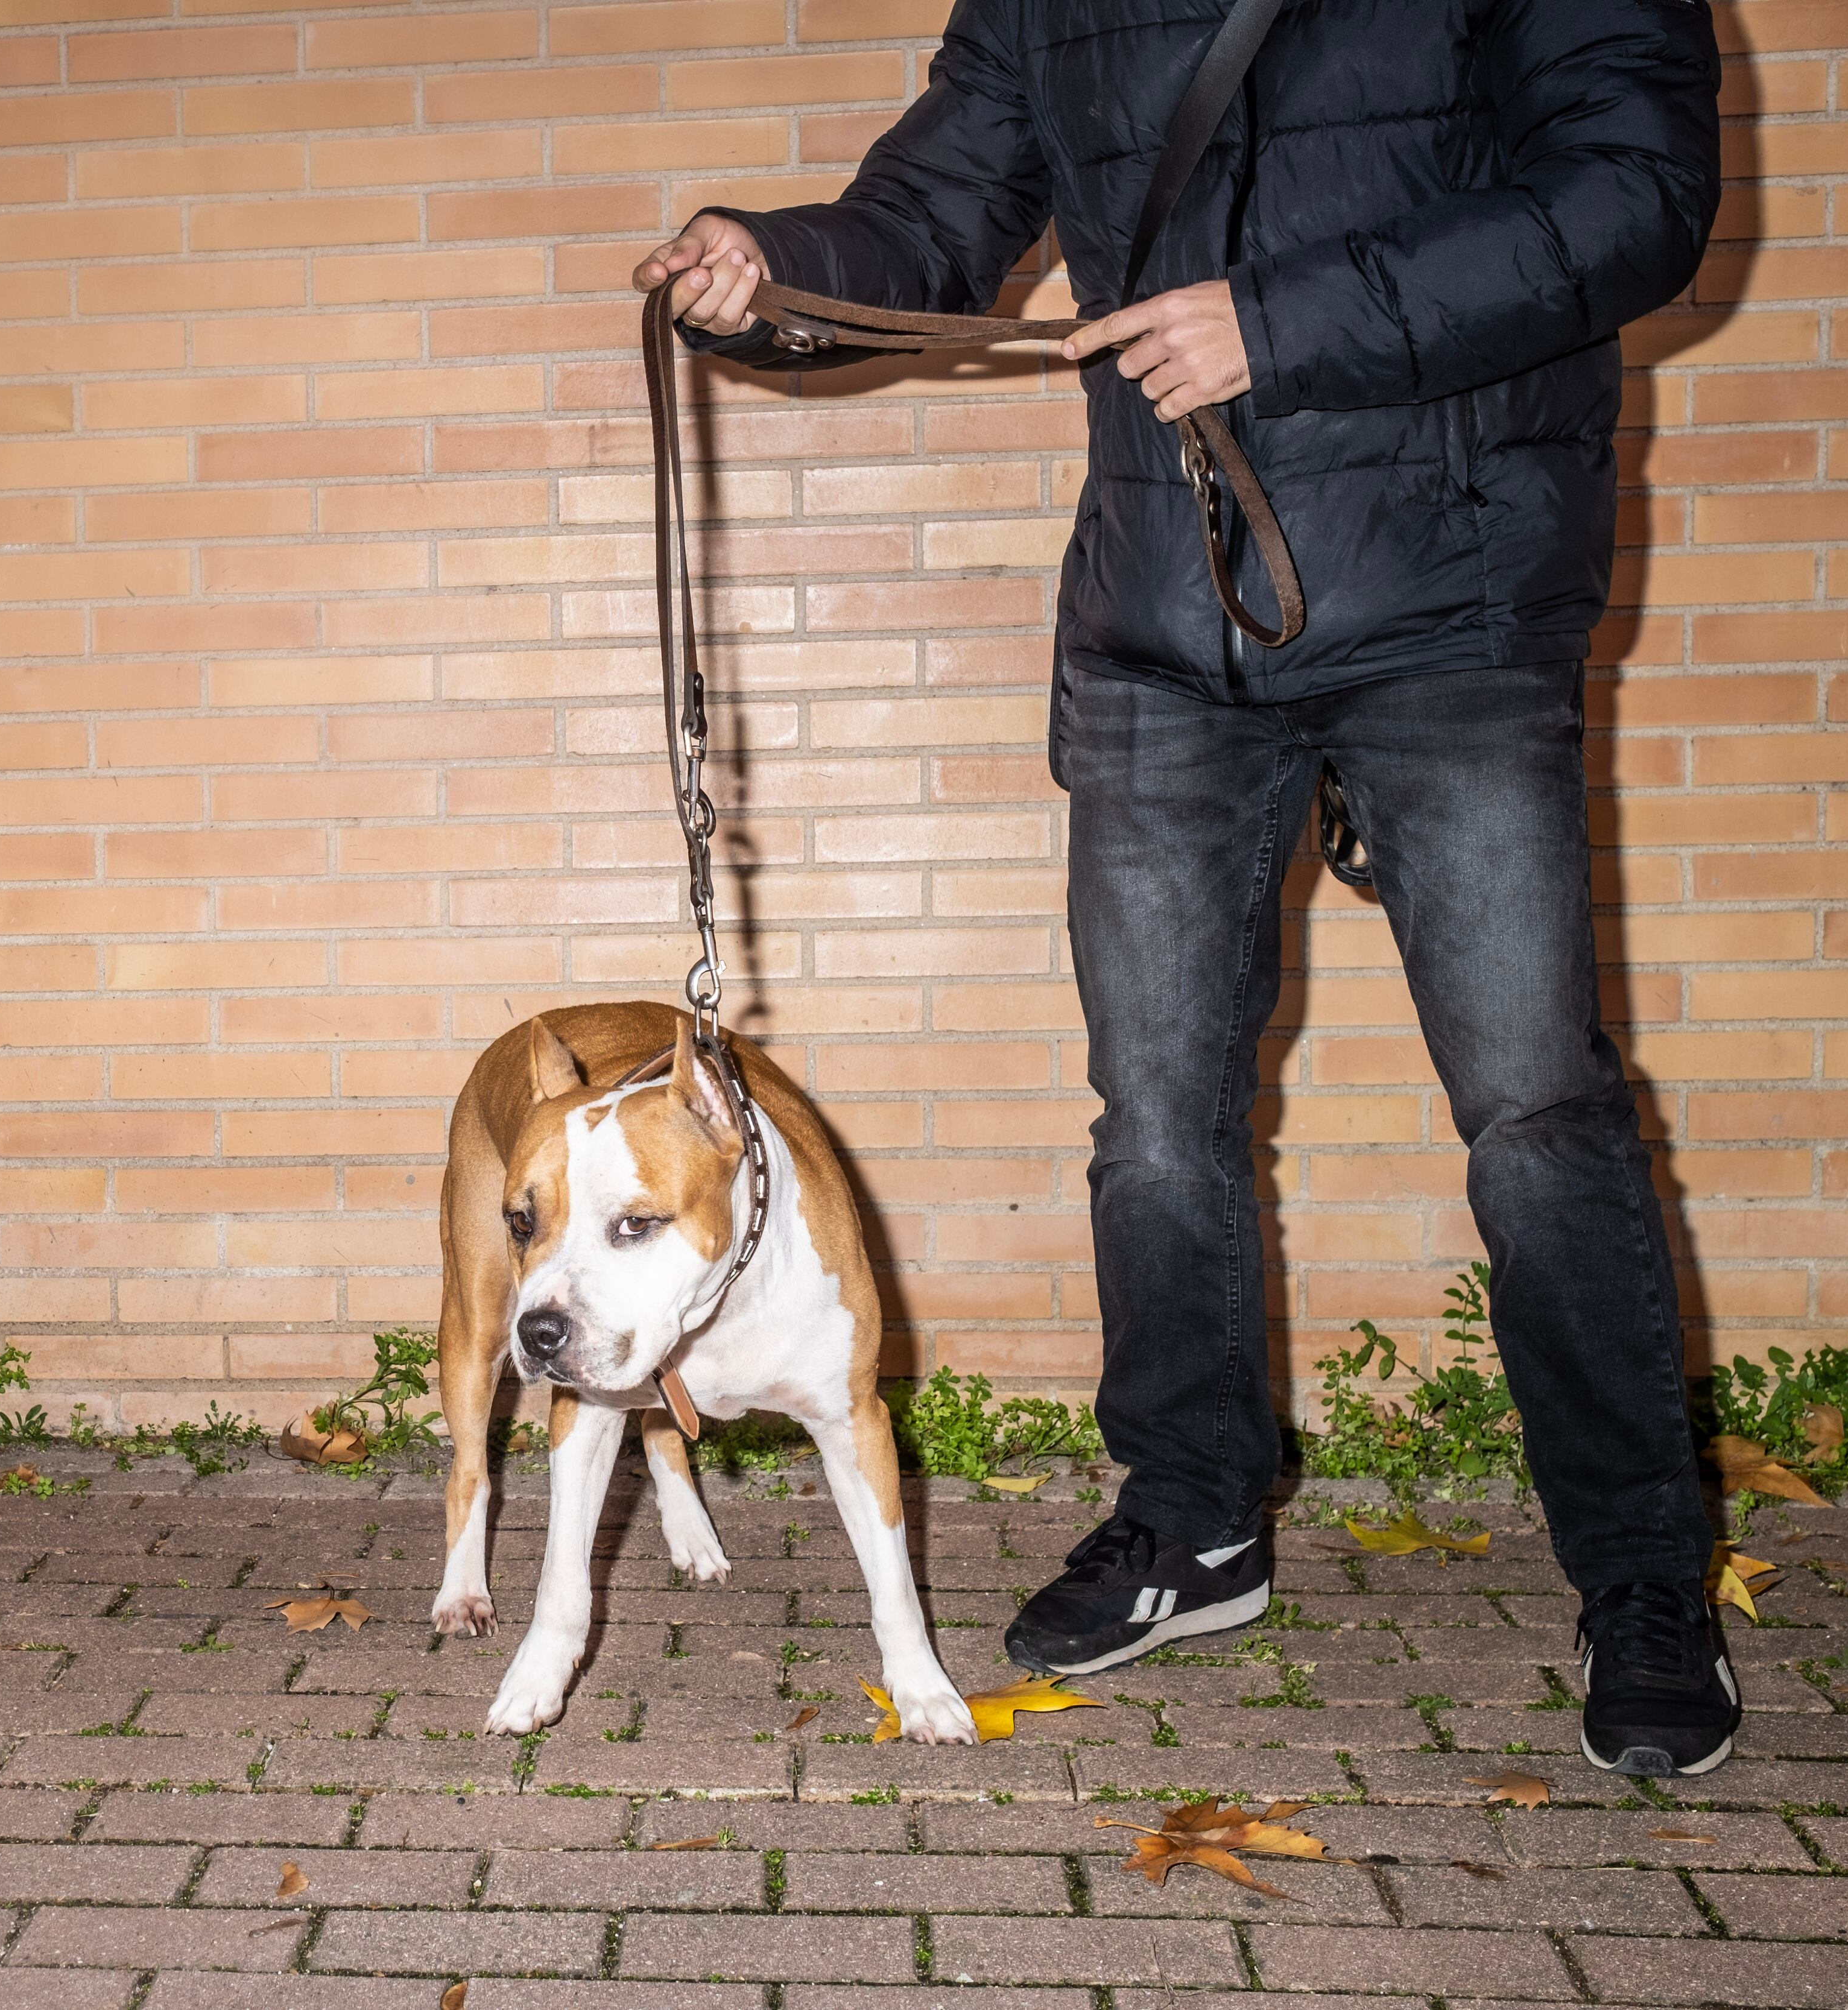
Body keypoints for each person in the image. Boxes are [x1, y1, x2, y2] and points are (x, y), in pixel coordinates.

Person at [634, 0, 1735, 1775]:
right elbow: (928, 226)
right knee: (1154, 1120)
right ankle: (1196, 1518)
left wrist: (1282, 323)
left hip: (1451, 601)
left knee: (1537, 1112)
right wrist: (774, 277)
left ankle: (1643, 1576)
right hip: (1161, 617)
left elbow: (1634, 194)